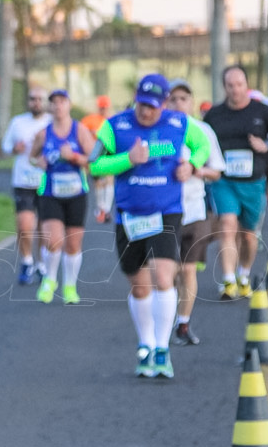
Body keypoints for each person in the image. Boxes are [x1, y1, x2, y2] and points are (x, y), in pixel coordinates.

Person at [90, 74, 210, 379]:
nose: (147, 112)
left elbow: (204, 144)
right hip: (129, 216)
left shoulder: (180, 124)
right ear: (136, 98)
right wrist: (127, 159)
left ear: (165, 103)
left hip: (166, 212)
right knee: (139, 285)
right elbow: (94, 165)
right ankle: (145, 345)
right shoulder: (115, 125)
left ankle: (162, 348)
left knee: (163, 275)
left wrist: (193, 165)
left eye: (154, 107)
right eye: (143, 104)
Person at [204, 65, 268, 299]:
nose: (235, 90)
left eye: (239, 85)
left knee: (249, 235)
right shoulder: (214, 115)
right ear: (225, 87)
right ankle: (228, 281)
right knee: (227, 225)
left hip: (253, 181)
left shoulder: (261, 111)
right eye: (230, 85)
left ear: (246, 85)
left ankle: (243, 273)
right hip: (224, 181)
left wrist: (266, 145)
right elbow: (202, 139)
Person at [165, 80, 225, 345]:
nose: (178, 104)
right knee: (169, 272)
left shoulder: (202, 131)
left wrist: (195, 170)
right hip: (164, 211)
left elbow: (217, 171)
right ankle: (164, 323)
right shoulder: (159, 131)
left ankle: (183, 325)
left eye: (183, 99)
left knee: (188, 270)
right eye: (173, 99)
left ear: (191, 102)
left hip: (194, 210)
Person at [28, 89, 95, 305]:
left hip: (76, 193)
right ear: (50, 107)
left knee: (73, 244)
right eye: (54, 102)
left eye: (62, 102)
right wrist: (37, 162)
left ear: (69, 105)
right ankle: (49, 280)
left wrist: (74, 157)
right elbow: (32, 156)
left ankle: (70, 286)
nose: (58, 106)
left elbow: (94, 160)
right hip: (50, 193)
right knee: (53, 239)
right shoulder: (44, 133)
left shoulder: (80, 130)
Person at [1, 86, 53, 284]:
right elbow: (5, 147)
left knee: (45, 227)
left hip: (46, 180)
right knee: (25, 225)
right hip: (23, 181)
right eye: (32, 99)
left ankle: (41, 263)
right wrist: (15, 148)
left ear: (45, 102)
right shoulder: (18, 122)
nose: (36, 102)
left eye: (40, 99)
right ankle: (26, 261)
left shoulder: (51, 123)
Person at [80, 95, 115, 223]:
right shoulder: (90, 120)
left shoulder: (112, 120)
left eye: (105, 108)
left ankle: (106, 208)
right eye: (101, 107)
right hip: (95, 154)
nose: (103, 110)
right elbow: (81, 132)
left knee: (109, 179)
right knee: (98, 183)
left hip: (108, 153)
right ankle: (101, 207)